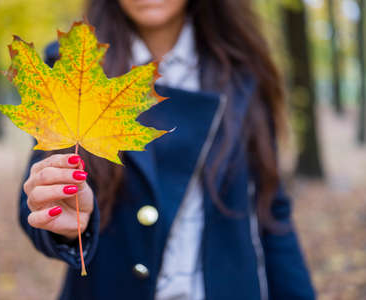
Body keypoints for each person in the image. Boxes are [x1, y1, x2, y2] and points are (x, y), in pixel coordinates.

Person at [19, 0, 316, 299]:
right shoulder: (72, 70)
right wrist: (68, 226)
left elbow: (270, 208)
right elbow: (34, 199)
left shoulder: (242, 70)